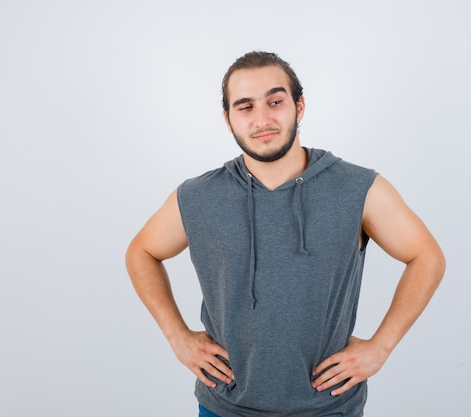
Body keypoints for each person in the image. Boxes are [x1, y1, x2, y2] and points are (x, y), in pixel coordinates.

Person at [126, 51, 445, 417]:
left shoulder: (358, 188)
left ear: (299, 106)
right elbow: (141, 252)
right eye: (244, 107)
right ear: (228, 119)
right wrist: (177, 337)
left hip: (328, 408)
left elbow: (426, 257)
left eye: (275, 101)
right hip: (225, 407)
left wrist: (381, 347)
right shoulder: (199, 196)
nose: (262, 119)